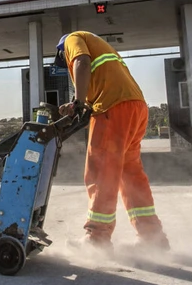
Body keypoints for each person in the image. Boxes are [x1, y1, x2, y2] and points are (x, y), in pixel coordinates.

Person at [55, 31, 169, 253]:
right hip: (136, 107)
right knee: (130, 174)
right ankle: (152, 237)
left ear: (61, 52)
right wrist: (82, 104)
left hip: (113, 108)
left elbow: (81, 61)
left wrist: (78, 101)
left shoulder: (72, 39)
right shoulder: (101, 46)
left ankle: (97, 238)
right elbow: (99, 77)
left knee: (100, 171)